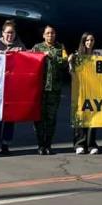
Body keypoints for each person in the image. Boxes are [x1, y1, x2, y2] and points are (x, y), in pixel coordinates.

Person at [0, 20, 25, 155]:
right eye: (7, 33)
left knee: (10, 117)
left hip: (12, 87)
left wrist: (22, 54)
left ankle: (6, 144)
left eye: (12, 33)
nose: (10, 35)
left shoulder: (20, 46)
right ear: (2, 33)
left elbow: (26, 65)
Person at [32, 24, 68, 155]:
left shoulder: (60, 47)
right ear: (43, 35)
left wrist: (53, 57)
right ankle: (40, 144)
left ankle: (48, 144)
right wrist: (41, 55)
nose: (50, 35)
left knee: (51, 118)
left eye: (52, 33)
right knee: (39, 118)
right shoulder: (37, 48)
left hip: (54, 88)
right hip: (40, 88)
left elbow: (65, 63)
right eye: (47, 33)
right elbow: (29, 61)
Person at [69, 32, 102, 155]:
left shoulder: (97, 56)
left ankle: (91, 143)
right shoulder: (77, 56)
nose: (89, 42)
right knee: (80, 117)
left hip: (94, 91)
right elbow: (71, 73)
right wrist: (70, 62)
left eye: (92, 40)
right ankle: (79, 144)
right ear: (83, 42)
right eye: (87, 40)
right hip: (80, 91)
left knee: (93, 118)